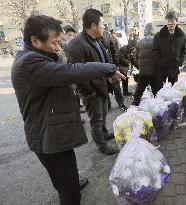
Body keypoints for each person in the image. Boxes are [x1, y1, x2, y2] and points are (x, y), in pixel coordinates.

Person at [11, 15, 122, 205]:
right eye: (54, 43)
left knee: (65, 173)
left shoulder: (39, 56)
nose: (58, 47)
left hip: (53, 133)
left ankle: (70, 182)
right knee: (68, 192)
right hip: (47, 137)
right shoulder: (29, 64)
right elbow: (70, 71)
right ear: (35, 40)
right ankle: (70, 188)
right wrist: (108, 68)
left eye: (59, 42)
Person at [67, 9, 119, 155]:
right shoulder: (76, 45)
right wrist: (90, 92)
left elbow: (104, 59)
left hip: (101, 86)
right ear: (93, 25)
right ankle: (102, 146)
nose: (104, 27)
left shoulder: (96, 40)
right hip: (92, 91)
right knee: (96, 120)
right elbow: (77, 74)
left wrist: (110, 74)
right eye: (102, 23)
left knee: (103, 114)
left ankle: (104, 133)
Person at [153, 10, 186, 91]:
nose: (170, 23)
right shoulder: (158, 36)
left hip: (174, 68)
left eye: (172, 20)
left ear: (176, 21)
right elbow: (155, 51)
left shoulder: (182, 35)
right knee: (160, 91)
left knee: (173, 91)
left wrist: (180, 62)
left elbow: (184, 49)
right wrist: (160, 63)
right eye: (168, 20)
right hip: (162, 69)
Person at [132, 23, 157, 106]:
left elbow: (135, 56)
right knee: (156, 91)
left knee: (139, 89)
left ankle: (134, 105)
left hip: (143, 71)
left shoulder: (140, 42)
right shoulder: (156, 41)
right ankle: (157, 107)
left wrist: (139, 66)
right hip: (154, 71)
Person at [101, 30, 127, 111]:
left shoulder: (108, 37)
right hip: (104, 66)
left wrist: (116, 67)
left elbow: (115, 52)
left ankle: (117, 104)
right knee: (107, 87)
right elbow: (115, 52)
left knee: (112, 86)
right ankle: (114, 104)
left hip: (108, 66)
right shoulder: (94, 39)